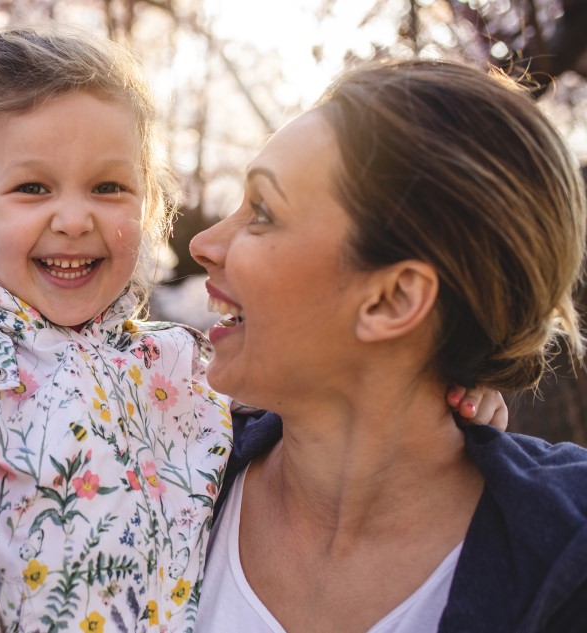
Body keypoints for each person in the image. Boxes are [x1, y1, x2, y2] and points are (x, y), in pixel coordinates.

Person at [0, 30, 507, 633]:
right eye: (34, 189)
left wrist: (434, 391)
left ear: (149, 202)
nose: (73, 218)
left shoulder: (180, 363)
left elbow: (322, 391)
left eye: (107, 187)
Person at [189, 59, 587, 633]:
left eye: (263, 213)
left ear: (394, 300)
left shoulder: (566, 560)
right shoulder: (161, 468)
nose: (204, 244)